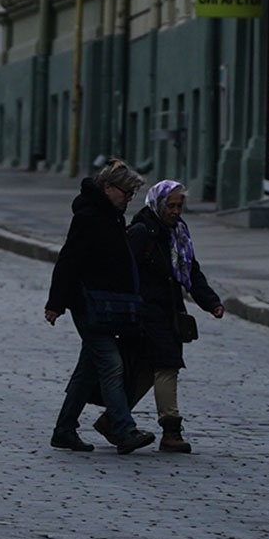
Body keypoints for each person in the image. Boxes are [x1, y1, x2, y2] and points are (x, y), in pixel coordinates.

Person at [44, 158, 158, 454]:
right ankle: (124, 429)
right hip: (90, 304)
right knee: (110, 363)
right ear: (108, 188)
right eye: (126, 193)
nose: (129, 199)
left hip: (108, 305)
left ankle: (64, 429)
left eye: (133, 195)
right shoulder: (89, 217)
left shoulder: (111, 216)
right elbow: (69, 259)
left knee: (88, 370)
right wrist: (55, 303)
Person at [120, 179, 224, 453]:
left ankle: (113, 420)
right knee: (167, 364)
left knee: (145, 369)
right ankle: (171, 431)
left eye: (180, 206)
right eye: (171, 205)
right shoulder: (142, 232)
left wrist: (211, 302)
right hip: (145, 312)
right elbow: (122, 272)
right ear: (158, 204)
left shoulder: (177, 233)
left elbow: (191, 272)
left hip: (168, 311)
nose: (176, 211)